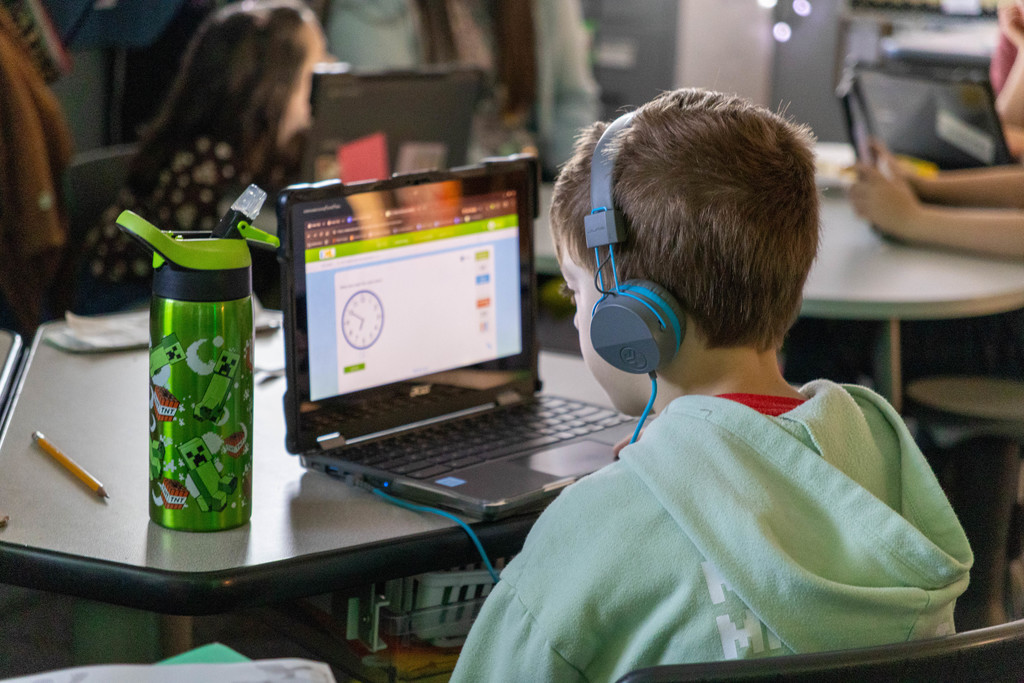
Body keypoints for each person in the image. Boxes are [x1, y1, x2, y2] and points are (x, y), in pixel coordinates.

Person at [449, 89, 972, 681]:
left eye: (577, 291)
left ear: (634, 318)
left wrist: (638, 489)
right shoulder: (885, 462)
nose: (575, 315)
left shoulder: (593, 529)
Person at [74, 0, 329, 314]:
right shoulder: (205, 164)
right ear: (275, 87)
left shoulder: (267, 149)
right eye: (313, 71)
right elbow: (201, 281)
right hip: (130, 306)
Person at [322, 0, 599, 178]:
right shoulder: (373, 9)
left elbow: (572, 99)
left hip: (538, 189)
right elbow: (399, 134)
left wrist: (576, 192)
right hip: (445, 201)